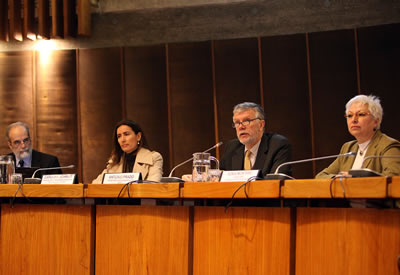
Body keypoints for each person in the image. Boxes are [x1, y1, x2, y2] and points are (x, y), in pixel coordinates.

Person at [316, 94, 400, 178]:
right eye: (350, 115)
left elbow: (393, 180)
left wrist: (354, 180)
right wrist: (338, 178)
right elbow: (320, 176)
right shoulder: (348, 148)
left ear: (376, 121)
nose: (354, 120)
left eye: (361, 114)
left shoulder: (388, 146)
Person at [220, 102, 292, 177]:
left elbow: (275, 182)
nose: (241, 127)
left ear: (261, 125)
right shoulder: (232, 147)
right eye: (237, 122)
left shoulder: (277, 145)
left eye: (246, 121)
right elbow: (220, 179)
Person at [92, 120, 163, 183]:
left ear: (138, 136)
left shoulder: (153, 158)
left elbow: (153, 186)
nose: (122, 140)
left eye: (126, 134)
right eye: (119, 136)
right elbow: (96, 184)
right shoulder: (115, 161)